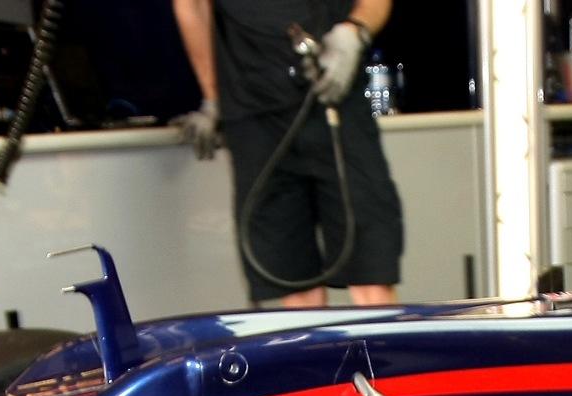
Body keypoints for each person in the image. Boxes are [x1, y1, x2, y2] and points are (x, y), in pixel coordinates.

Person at [171, 1, 404, 308]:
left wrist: (354, 31)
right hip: (255, 113)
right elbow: (191, 6)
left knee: (372, 270)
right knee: (291, 282)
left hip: (337, 98)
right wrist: (212, 97)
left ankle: (379, 341)